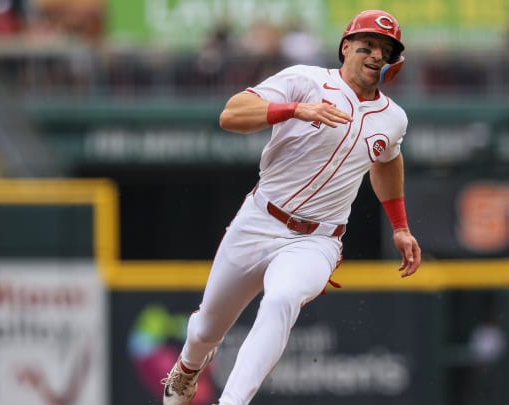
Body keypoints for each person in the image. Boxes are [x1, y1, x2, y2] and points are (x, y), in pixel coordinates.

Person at [161, 9, 422, 405]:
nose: (375, 55)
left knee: (282, 299)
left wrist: (400, 226)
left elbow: (387, 162)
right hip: (260, 219)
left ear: (392, 62)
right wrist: (294, 109)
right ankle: (188, 368)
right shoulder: (305, 80)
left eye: (385, 50)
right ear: (346, 47)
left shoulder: (393, 119)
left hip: (317, 241)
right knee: (204, 331)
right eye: (367, 45)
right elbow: (230, 115)